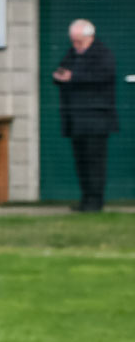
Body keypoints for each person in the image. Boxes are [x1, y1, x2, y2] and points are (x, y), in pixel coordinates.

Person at [52, 19, 118, 213]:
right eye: (73, 41)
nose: (75, 45)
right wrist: (59, 76)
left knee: (95, 161)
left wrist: (73, 77)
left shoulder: (103, 54)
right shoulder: (72, 54)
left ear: (89, 37)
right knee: (81, 161)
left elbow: (102, 77)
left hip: (96, 120)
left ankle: (96, 201)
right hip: (75, 119)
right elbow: (62, 72)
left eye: (79, 41)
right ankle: (85, 199)